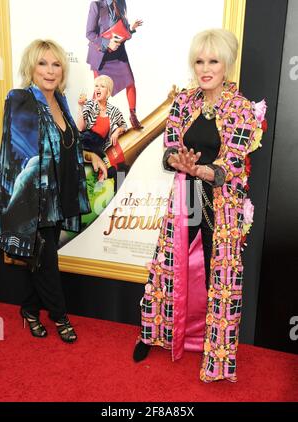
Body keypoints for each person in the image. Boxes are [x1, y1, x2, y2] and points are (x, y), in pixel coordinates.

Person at [133, 29, 267, 382]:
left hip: (220, 203)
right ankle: (156, 332)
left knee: (217, 273)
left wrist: (205, 170)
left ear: (227, 64)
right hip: (187, 196)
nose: (205, 68)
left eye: (213, 61)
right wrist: (178, 162)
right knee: (171, 263)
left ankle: (215, 354)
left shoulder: (241, 108)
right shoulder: (183, 102)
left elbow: (234, 161)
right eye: (199, 61)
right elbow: (169, 148)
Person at [0, 39, 107, 343]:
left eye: (56, 64)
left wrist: (91, 155)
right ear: (30, 67)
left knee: (42, 257)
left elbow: (65, 146)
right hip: (35, 198)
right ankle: (60, 316)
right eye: (42, 63)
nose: (50, 70)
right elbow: (20, 154)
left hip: (60, 195)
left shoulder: (60, 101)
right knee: (48, 260)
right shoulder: (19, 99)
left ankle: (30, 310)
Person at [86, 0, 143, 129]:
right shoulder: (96, 5)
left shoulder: (121, 2)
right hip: (101, 55)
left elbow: (121, 28)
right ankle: (91, 124)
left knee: (130, 82)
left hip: (118, 52)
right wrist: (107, 43)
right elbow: (89, 33)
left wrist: (131, 29)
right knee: (99, 91)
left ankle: (133, 115)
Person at [77, 74, 127, 181]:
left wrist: (117, 131)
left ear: (108, 92)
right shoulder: (90, 104)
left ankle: (118, 193)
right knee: (106, 166)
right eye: (96, 86)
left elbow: (124, 125)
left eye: (102, 86)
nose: (98, 88)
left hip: (99, 146)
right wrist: (81, 107)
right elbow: (80, 128)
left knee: (121, 169)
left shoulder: (114, 111)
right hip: (85, 142)